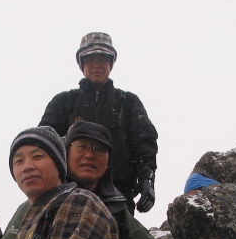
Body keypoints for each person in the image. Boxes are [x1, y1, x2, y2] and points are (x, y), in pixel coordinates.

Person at [0, 121, 166, 239]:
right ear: (65, 153)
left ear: (108, 160)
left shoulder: (116, 208)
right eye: (81, 146)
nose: (89, 155)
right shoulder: (38, 204)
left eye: (99, 149)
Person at [39, 32, 159, 214]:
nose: (97, 65)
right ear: (81, 64)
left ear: (111, 63)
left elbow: (144, 143)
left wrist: (147, 178)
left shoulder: (128, 102)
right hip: (68, 193)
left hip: (119, 194)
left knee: (119, 233)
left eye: (103, 59)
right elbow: (44, 144)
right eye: (90, 59)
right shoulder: (64, 102)